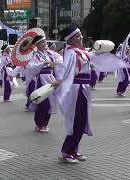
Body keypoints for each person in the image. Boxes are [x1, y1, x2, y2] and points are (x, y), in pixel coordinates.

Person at [54, 26, 93, 164]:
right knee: (76, 121)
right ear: (70, 39)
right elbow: (65, 70)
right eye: (78, 36)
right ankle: (66, 152)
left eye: (81, 35)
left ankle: (74, 150)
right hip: (76, 89)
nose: (81, 37)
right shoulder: (71, 52)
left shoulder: (81, 52)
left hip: (83, 88)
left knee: (81, 121)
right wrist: (59, 81)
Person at [27, 35, 63, 133]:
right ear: (37, 45)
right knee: (43, 102)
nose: (45, 43)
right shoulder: (35, 55)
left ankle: (44, 124)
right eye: (42, 42)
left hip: (50, 77)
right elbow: (30, 67)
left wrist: (53, 63)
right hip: (42, 79)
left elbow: (59, 58)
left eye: (45, 42)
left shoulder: (49, 53)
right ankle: (39, 124)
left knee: (51, 102)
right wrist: (42, 64)